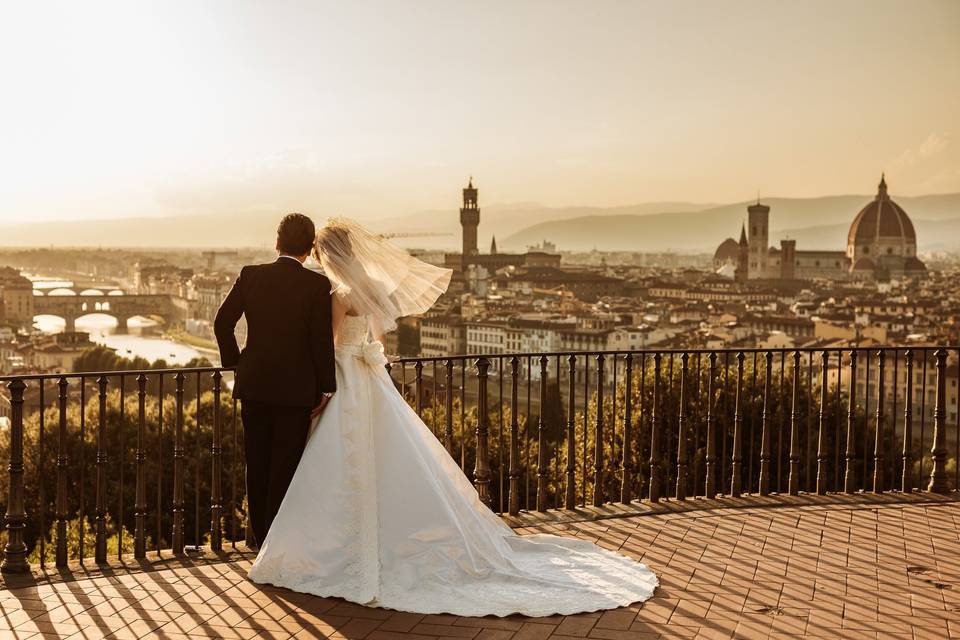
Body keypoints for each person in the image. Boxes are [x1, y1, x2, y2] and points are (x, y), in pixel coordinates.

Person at [248, 218, 657, 616]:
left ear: (327, 254)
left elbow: (331, 342)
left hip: (344, 375)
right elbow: (380, 336)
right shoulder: (368, 285)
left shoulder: (335, 293)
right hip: (370, 374)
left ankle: (330, 541)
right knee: (385, 454)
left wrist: (321, 379)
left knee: (340, 458)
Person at [214, 213, 336, 548]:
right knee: (285, 467)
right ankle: (277, 544)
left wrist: (237, 363)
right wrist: (327, 387)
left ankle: (259, 541)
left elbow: (223, 323)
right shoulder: (317, 286)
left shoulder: (251, 275)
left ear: (277, 241)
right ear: (310, 250)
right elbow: (320, 342)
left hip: (255, 385)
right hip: (296, 391)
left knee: (257, 463)